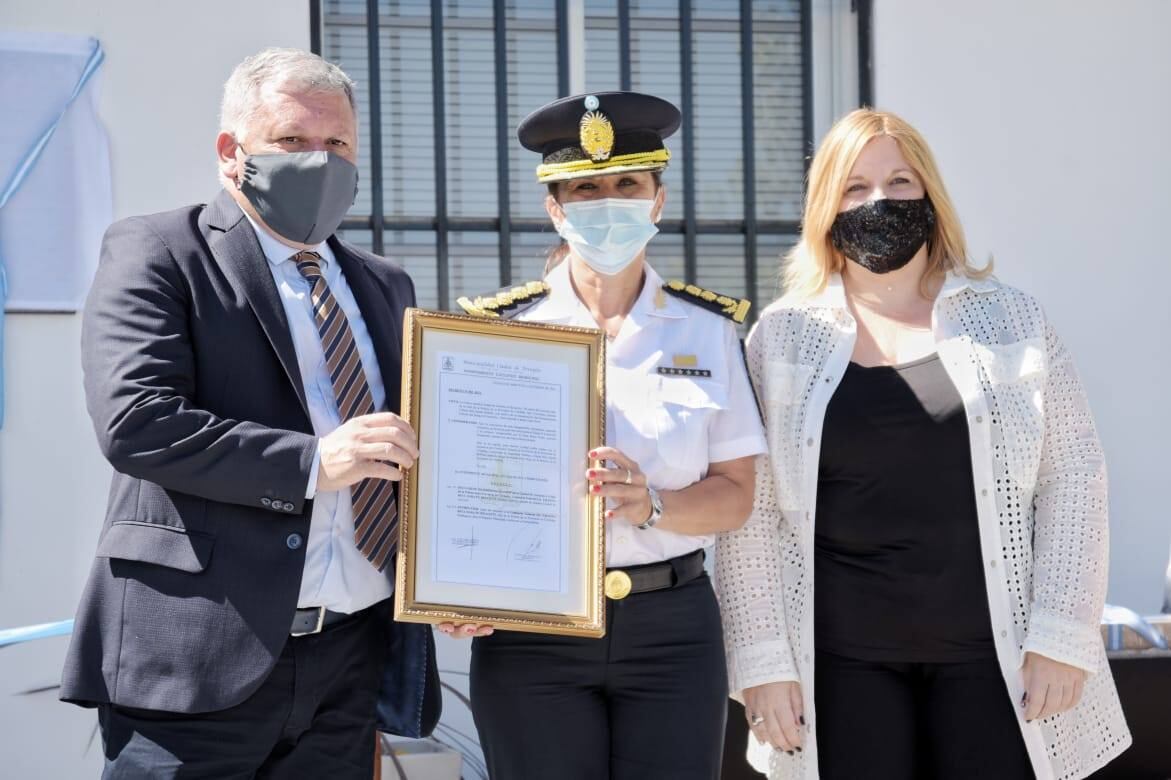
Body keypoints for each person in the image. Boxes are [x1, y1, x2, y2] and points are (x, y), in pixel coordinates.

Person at [715, 107, 1132, 779]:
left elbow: (1073, 474)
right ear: (825, 206)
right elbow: (753, 513)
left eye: (899, 182)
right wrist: (761, 661)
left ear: (930, 197)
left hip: (995, 661)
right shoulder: (782, 337)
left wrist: (1062, 636)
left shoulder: (1008, 317)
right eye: (854, 187)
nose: (879, 201)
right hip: (840, 668)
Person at [60, 48, 439, 777]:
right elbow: (137, 421)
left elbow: (413, 452)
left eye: (338, 145)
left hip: (348, 663)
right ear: (232, 153)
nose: (319, 161)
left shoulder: (386, 285)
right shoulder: (159, 251)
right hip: (198, 661)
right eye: (293, 142)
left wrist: (451, 578)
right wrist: (313, 462)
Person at [448, 91, 767, 779]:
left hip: (672, 627)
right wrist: (455, 591)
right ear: (555, 207)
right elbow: (464, 489)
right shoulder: (496, 330)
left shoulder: (706, 329)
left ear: (657, 198)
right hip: (532, 630)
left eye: (627, 183)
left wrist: (652, 503)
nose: (608, 201)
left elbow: (736, 495)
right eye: (586, 188)